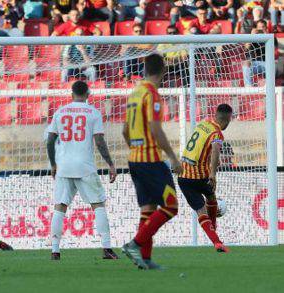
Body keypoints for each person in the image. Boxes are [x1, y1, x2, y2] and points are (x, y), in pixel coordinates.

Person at [122, 54, 183, 270]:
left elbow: (125, 130)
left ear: (145, 69)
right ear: (163, 71)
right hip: (151, 160)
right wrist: (173, 157)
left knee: (148, 209)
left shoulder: (134, 93)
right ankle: (134, 244)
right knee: (171, 206)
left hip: (134, 160)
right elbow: (156, 129)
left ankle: (144, 260)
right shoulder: (152, 94)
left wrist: (135, 151)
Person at [46, 80, 118, 260]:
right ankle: (107, 248)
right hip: (85, 166)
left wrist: (53, 164)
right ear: (88, 95)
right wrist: (110, 164)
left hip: (63, 166)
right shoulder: (93, 113)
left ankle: (55, 250)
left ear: (71, 94)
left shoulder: (60, 112)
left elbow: (49, 140)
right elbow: (99, 141)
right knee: (98, 204)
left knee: (59, 207)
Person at [178, 104, 233, 253]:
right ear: (228, 119)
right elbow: (215, 149)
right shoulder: (217, 134)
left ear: (216, 114)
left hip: (183, 175)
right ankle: (216, 240)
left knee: (208, 201)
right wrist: (213, 173)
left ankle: (215, 237)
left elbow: (201, 146)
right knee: (207, 203)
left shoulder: (204, 123)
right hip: (199, 175)